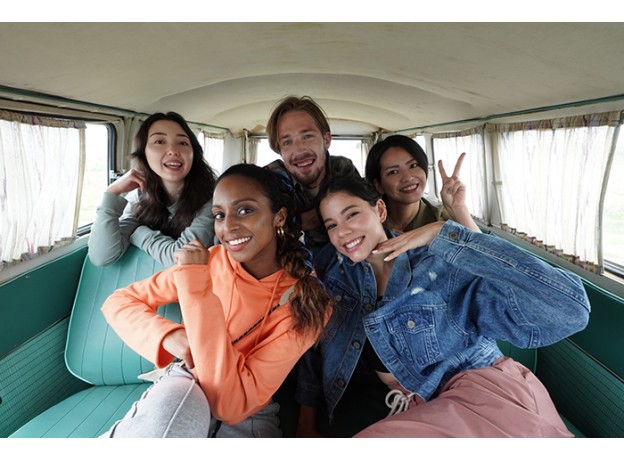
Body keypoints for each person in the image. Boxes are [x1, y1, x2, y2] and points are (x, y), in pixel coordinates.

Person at [296, 175, 591, 438]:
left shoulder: (439, 266)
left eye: (352, 215)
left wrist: (445, 233)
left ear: (380, 210)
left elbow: (571, 310)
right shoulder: (335, 276)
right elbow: (313, 346)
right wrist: (305, 424)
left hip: (485, 391)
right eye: (331, 225)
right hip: (424, 405)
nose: (342, 232)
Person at [100, 163, 332, 438]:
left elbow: (229, 405)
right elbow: (119, 301)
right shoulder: (211, 261)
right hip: (187, 381)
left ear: (278, 217)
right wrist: (168, 336)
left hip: (247, 409)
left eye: (245, 210)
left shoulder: (309, 301)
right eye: (219, 215)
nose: (228, 227)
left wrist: (196, 287)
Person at [88, 111, 217, 267]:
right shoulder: (139, 196)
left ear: (193, 153)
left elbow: (181, 258)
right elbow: (101, 257)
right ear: (143, 153)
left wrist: (138, 233)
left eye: (182, 143)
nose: (173, 150)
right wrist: (112, 193)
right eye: (159, 141)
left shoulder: (214, 199)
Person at [264, 95, 361, 251]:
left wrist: (295, 222)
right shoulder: (271, 178)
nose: (299, 150)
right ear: (280, 151)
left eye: (307, 136)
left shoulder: (342, 169)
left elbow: (364, 217)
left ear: (326, 140)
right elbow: (259, 228)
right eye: (287, 142)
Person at [365, 134, 480, 234]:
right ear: (379, 185)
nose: (408, 177)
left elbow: (488, 251)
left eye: (413, 165)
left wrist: (458, 208)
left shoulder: (442, 218)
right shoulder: (368, 220)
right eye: (393, 172)